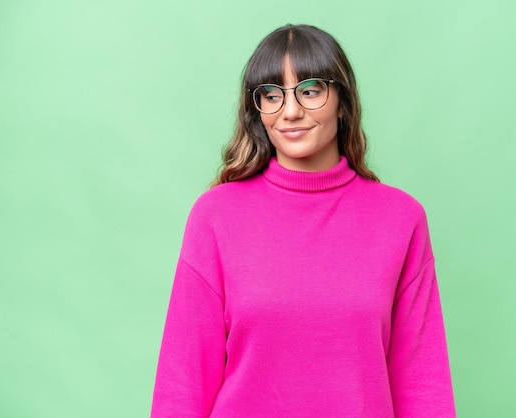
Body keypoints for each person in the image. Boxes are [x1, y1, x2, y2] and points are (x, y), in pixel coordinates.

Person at [151, 24, 456, 417]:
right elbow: (183, 383)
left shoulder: (401, 219)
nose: (291, 111)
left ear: (342, 101)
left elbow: (421, 381)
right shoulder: (215, 216)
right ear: (257, 110)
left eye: (310, 90)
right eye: (272, 95)